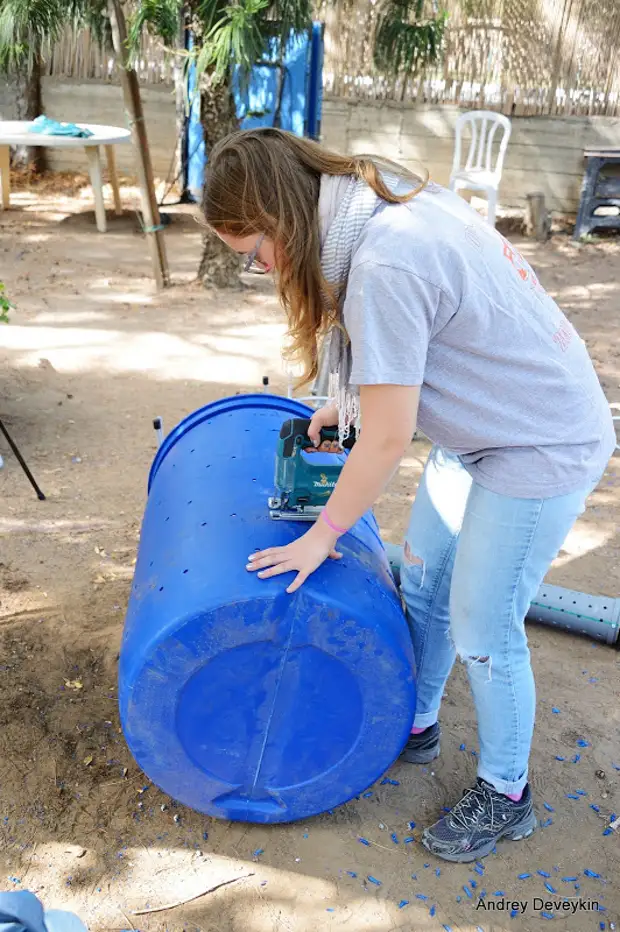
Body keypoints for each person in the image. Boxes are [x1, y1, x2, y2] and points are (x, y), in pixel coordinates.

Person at [203, 127, 615, 863]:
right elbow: (402, 372)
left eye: (256, 252)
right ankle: (413, 724)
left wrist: (321, 534)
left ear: (284, 215)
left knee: (484, 628)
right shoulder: (370, 199)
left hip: (535, 442)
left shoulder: (386, 262)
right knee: (424, 585)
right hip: (482, 427)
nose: (263, 270)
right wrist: (349, 403)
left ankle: (507, 791)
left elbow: (388, 442)